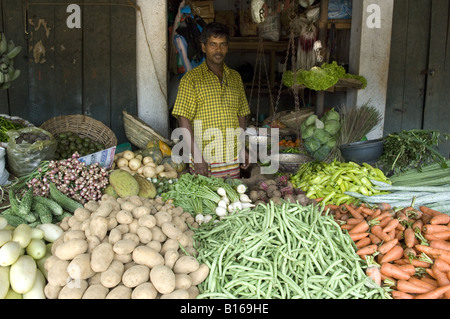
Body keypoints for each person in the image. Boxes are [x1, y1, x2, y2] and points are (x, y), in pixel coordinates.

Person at [172, 22, 251, 179]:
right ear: (203, 47)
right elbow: (183, 119)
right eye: (213, 44)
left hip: (232, 159)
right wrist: (197, 156)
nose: (218, 50)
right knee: (205, 201)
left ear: (227, 47)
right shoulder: (191, 79)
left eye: (222, 45)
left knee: (232, 200)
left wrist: (242, 147)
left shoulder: (235, 77)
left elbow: (241, 115)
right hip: (204, 160)